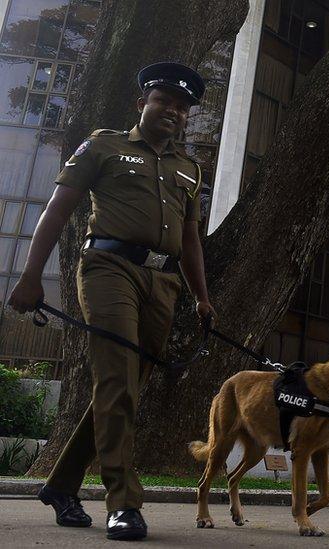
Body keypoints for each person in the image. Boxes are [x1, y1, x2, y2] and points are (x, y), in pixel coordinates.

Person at [7, 62, 215, 541]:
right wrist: (31, 276)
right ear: (142, 104)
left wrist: (203, 298)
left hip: (162, 283)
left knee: (122, 389)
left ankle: (61, 486)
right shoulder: (104, 146)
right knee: (119, 383)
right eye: (164, 101)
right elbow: (57, 210)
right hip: (108, 270)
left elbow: (190, 241)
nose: (174, 112)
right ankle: (123, 503)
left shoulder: (189, 169)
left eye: (183, 108)